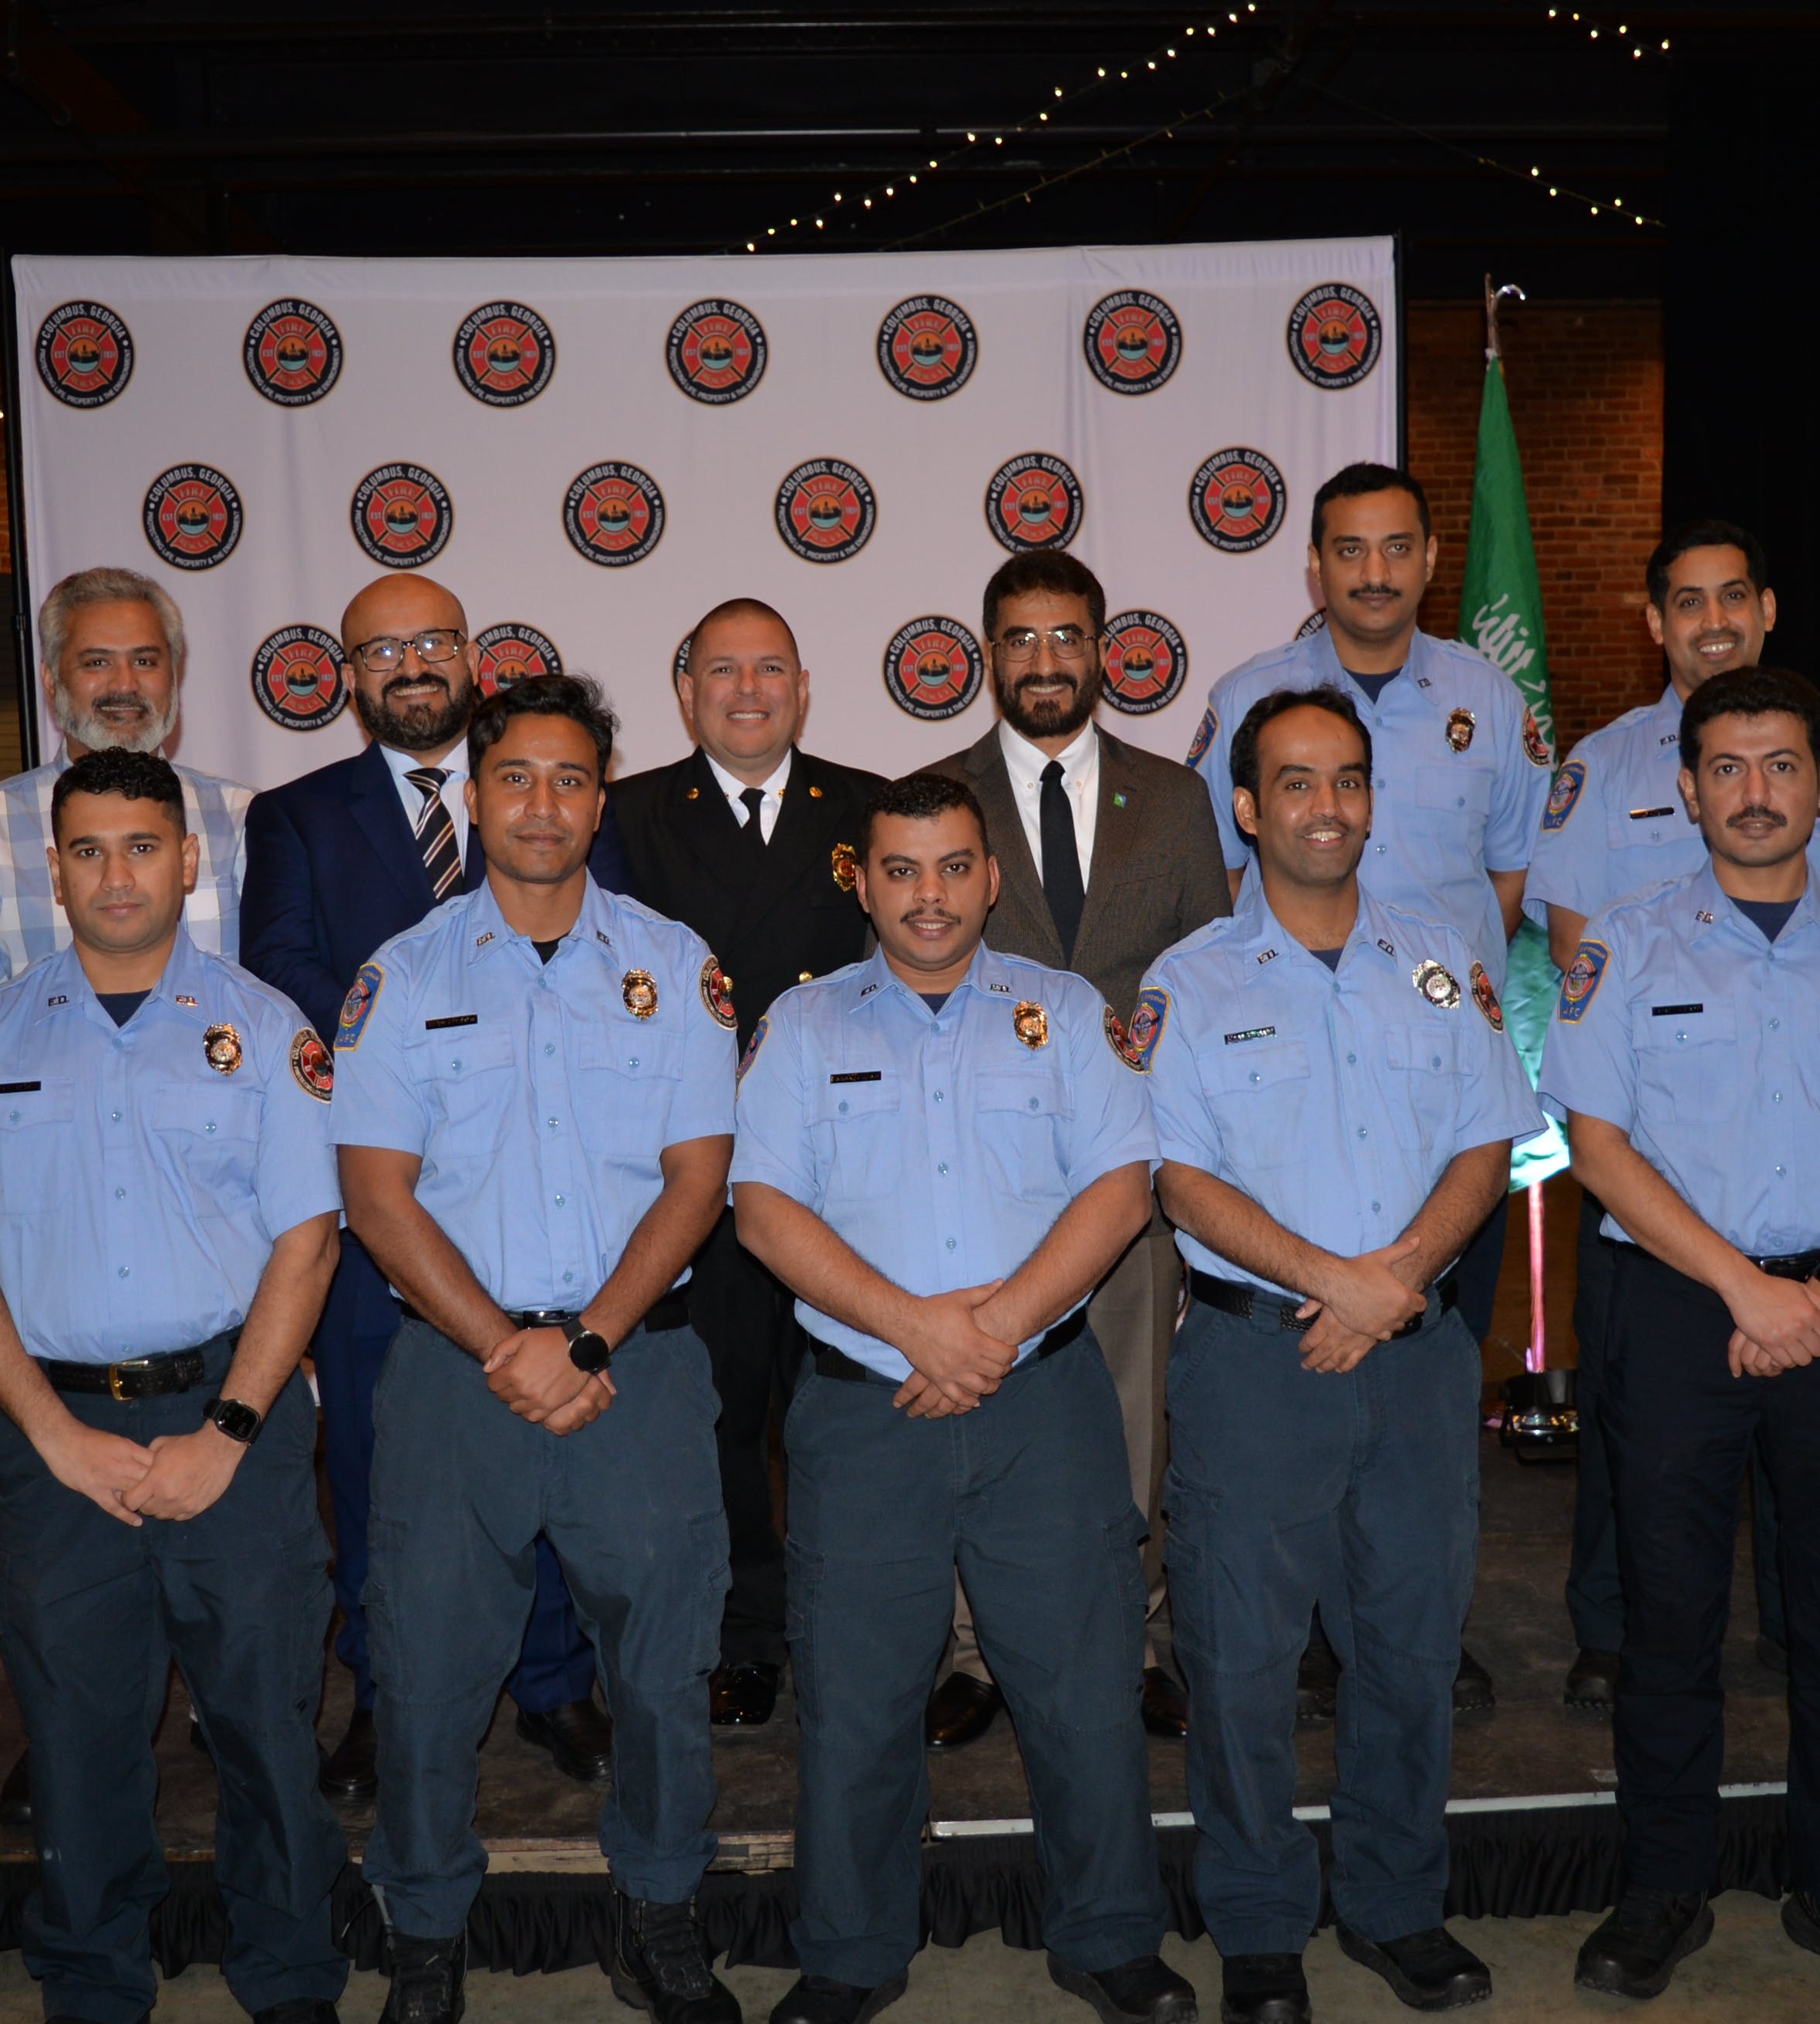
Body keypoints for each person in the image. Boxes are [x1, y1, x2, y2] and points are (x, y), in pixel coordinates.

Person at [1539, 666, 1820, 2006]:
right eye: (1726, 767)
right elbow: (1598, 1146)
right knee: (1667, 1622)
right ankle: (1662, 1883)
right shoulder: (1622, 942)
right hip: (1682, 1308)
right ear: (1685, 787)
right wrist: (1747, 1288)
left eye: (1780, 765)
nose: (1754, 791)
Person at [0, 747, 347, 2024]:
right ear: (54, 868)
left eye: (142, 844)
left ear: (188, 861)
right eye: (88, 849)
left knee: (264, 1728)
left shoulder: (267, 1031)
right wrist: (51, 1431)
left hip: (229, 1426)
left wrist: (231, 1428)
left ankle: (293, 1975)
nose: (116, 872)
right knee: (80, 1746)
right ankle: (92, 1981)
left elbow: (310, 1241)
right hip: (55, 1442)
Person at [733, 771, 1198, 2024]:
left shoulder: (1067, 1012)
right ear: (863, 881)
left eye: (952, 867)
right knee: (855, 1694)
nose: (927, 895)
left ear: (990, 877)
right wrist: (918, 1328)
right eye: (900, 869)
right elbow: (763, 1207)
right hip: (861, 1410)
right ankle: (845, 1951)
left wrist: (986, 1330)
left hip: (1039, 1405)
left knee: (1083, 1682)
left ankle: (1107, 1936)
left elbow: (1122, 1183)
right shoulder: (804, 1024)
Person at [332, 673, 742, 2024]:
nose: (544, 802)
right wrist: (510, 1341)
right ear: (478, 789)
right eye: (517, 775)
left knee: (667, 1668)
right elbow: (377, 1195)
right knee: (430, 1669)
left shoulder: (675, 964)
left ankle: (661, 1907)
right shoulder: (402, 974)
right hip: (461, 1377)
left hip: (641, 1370)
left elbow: (698, 1176)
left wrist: (589, 1334)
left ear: (599, 795)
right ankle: (430, 1927)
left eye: (571, 778)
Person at [1143, 686, 1542, 2024]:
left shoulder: (1442, 958)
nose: (1328, 806)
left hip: (1418, 1358)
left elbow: (1487, 1139)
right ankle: (1258, 1923)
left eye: (1350, 780)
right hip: (1259, 1362)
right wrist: (1338, 1282)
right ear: (1247, 808)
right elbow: (1178, 1177)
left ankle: (1394, 1903)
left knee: (1412, 1645)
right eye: (1297, 782)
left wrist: (1397, 1282)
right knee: (1242, 1656)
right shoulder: (1186, 981)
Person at [1525, 522, 1820, 1719]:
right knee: (1636, 1444)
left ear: (1767, 608)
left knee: (1812, 1457)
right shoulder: (1601, 767)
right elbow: (1575, 957)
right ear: (1652, 623)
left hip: (1808, 1187)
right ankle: (1617, 1628)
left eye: (1732, 598)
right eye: (1686, 602)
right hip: (1656, 1172)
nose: (1712, 621)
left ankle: (1803, 1626)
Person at [241, 572, 629, 1796]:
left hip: (550, 1186)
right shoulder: (297, 817)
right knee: (375, 1465)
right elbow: (283, 975)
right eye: (381, 649)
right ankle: (389, 1689)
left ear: (474, 655)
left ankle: (558, 1684)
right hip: (384, 1199)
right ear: (346, 676)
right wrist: (428, 1044)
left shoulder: (548, 786)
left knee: (554, 1433)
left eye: (434, 643)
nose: (412, 665)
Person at [1185, 462, 1551, 1715]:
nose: (1375, 571)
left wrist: (1423, 977)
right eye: (1349, 549)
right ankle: (1310, 1639)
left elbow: (1506, 882)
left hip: (1434, 1089)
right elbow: (1214, 884)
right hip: (1282, 1110)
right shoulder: (1246, 698)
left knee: (1420, 1384)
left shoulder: (1487, 698)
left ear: (1431, 554)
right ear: (1316, 566)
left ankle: (1407, 1630)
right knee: (1287, 1412)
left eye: (1398, 545)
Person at [919, 549, 1231, 1749]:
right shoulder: (933, 795)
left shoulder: (1174, 797)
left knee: (1131, 1412)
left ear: (1106, 649)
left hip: (1133, 1171)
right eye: (1020, 640)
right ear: (985, 653)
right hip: (975, 1170)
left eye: (1067, 639)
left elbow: (1203, 986)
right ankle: (969, 1651)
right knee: (969, 1396)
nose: (1044, 663)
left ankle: (1137, 1636)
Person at [605, 598, 884, 1729]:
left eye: (771, 668)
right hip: (695, 1174)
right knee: (719, 1421)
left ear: (804, 686)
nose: (750, 689)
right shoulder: (626, 816)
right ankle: (746, 1634)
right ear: (685, 694)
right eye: (723, 670)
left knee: (844, 1413)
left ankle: (856, 1629)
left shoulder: (866, 807)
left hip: (844, 1170)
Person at [0, 567, 253, 1031]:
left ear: (175, 676)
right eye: (97, 662)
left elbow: (269, 1008)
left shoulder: (242, 819)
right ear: (50, 680)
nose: (125, 685)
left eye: (145, 661)